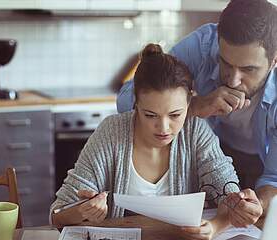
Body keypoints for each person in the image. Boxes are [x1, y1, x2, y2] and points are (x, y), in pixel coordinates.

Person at [50, 44, 262, 240]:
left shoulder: (196, 131)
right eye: (150, 115)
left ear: (190, 102)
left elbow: (229, 195)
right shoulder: (112, 132)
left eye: (175, 115)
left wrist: (215, 226)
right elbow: (57, 214)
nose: (163, 128)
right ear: (135, 104)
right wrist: (82, 211)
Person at [117, 0, 276, 222]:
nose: (233, 79)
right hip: (207, 160)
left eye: (248, 69)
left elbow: (274, 178)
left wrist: (256, 206)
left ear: (273, 61)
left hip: (262, 162)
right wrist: (195, 106)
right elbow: (126, 99)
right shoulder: (202, 46)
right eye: (225, 63)